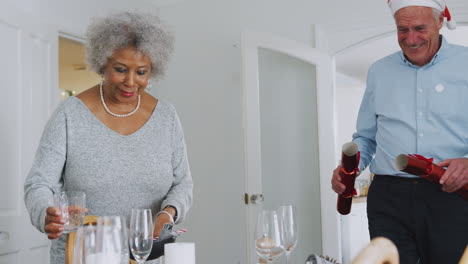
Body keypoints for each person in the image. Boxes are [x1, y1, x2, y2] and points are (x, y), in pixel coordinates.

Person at [24, 11, 193, 264]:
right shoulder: (70, 114)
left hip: (146, 256)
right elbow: (39, 183)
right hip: (82, 256)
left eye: (142, 72)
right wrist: (45, 213)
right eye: (121, 69)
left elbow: (183, 184)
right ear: (102, 63)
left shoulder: (166, 116)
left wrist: (168, 214)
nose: (130, 82)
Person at [331, 0, 468, 263]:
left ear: (440, 23)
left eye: (419, 28)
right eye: (402, 29)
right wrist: (349, 169)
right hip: (388, 196)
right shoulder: (379, 71)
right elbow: (366, 137)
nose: (411, 38)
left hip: (450, 194)